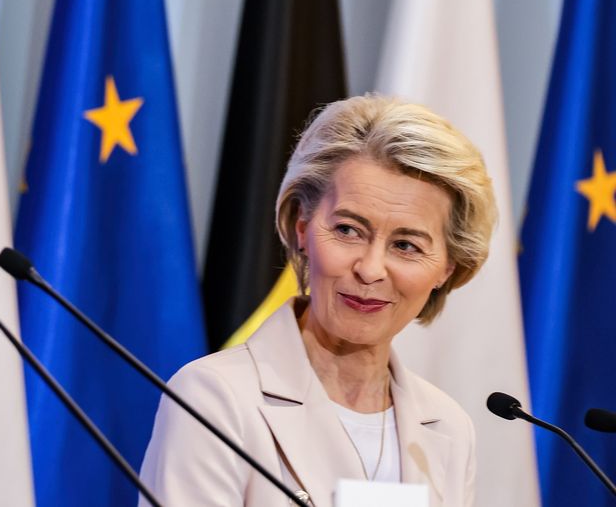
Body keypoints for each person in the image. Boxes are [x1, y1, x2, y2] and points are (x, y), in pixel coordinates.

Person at [140, 94, 496, 507]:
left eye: (406, 245)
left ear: (448, 268)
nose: (371, 268)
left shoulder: (448, 427)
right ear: (300, 229)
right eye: (348, 230)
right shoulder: (214, 397)